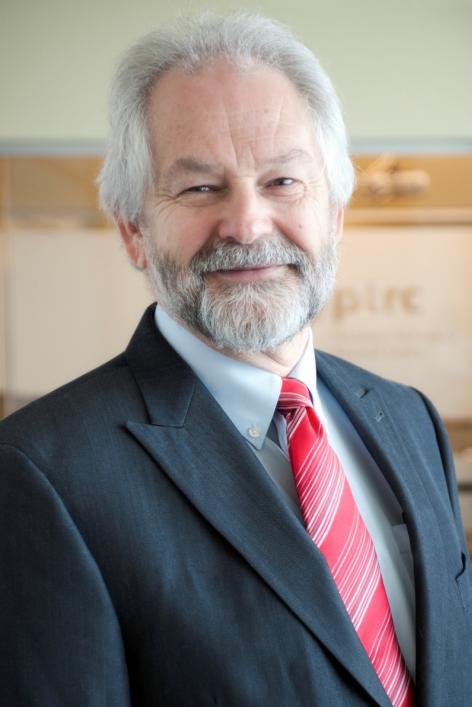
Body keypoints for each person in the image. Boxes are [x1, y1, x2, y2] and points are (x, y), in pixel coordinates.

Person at [0, 13, 470, 707]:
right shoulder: (40, 473)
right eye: (199, 187)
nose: (247, 225)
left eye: (283, 180)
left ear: (336, 212)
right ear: (133, 230)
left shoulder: (409, 417)